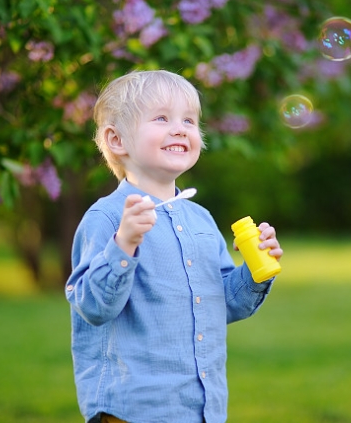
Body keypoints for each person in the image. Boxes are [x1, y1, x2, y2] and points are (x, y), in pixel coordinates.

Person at [65, 70, 283, 423]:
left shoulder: (200, 219)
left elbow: (224, 303)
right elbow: (92, 307)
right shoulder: (107, 218)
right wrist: (124, 245)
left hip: (199, 408)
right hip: (133, 409)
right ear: (117, 140)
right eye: (162, 118)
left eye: (190, 120)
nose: (180, 128)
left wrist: (256, 271)